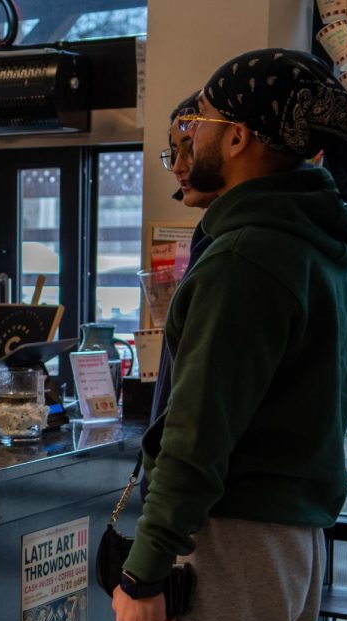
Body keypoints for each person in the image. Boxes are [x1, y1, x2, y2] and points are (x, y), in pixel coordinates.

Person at [113, 49, 347, 621]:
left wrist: (146, 568)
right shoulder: (327, 256)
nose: (185, 139)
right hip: (292, 550)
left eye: (196, 123)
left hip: (221, 545)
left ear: (237, 138)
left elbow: (196, 436)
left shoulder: (245, 259)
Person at [148, 93, 221, 427]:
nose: (178, 167)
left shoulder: (231, 252)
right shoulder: (209, 235)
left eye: (190, 149)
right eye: (174, 151)